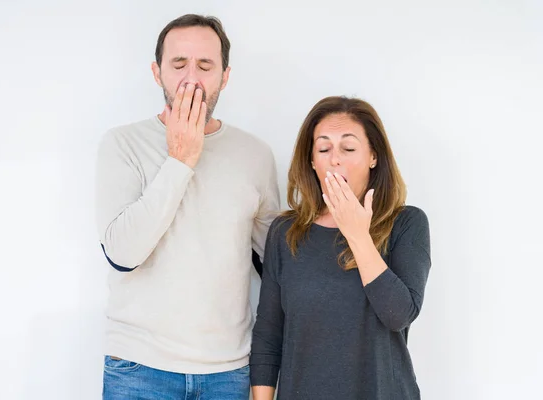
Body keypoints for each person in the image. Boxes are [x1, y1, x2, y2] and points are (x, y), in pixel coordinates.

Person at [95, 14, 280, 399]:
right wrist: (180, 160)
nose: (191, 78)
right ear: (157, 72)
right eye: (178, 64)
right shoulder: (122, 144)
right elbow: (123, 253)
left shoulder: (255, 155)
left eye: (205, 65)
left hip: (229, 373)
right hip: (138, 370)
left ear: (224, 76)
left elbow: (278, 266)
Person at [250, 96, 431, 399]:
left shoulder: (406, 223)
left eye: (348, 148)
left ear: (374, 156)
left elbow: (399, 315)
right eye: (324, 149)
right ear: (311, 161)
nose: (335, 159)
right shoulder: (286, 233)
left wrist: (357, 235)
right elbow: (269, 335)